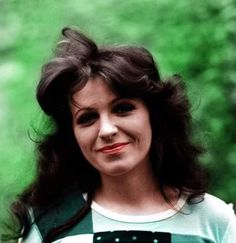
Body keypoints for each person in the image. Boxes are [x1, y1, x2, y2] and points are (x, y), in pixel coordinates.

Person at [6, 27, 236, 243]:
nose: (107, 130)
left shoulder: (214, 222)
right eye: (87, 118)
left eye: (122, 109)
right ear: (73, 135)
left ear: (154, 115)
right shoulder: (48, 223)